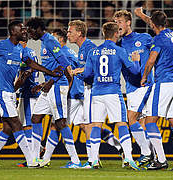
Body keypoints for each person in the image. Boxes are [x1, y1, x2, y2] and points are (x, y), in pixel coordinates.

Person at [0, 21, 60, 168]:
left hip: (10, 91)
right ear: (13, 32)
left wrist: (50, 72)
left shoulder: (19, 49)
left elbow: (32, 64)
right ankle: (31, 161)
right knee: (17, 124)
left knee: (8, 128)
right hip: (0, 90)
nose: (24, 30)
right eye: (21, 29)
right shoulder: (1, 46)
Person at [78, 22, 141, 170]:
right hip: (113, 93)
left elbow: (87, 74)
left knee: (96, 126)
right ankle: (129, 159)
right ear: (117, 33)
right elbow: (135, 71)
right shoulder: (120, 51)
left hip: (96, 93)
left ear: (103, 33)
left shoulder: (93, 52)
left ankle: (93, 160)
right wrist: (137, 60)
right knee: (121, 124)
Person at [136, 10, 173, 171]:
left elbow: (151, 60)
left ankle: (161, 159)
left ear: (153, 24)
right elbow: (172, 51)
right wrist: (141, 15)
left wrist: (144, 76)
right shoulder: (172, 34)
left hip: (164, 83)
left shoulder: (158, 39)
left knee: (150, 121)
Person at [25, 17, 81, 168]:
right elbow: (54, 65)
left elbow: (64, 63)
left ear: (37, 29)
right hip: (49, 86)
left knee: (60, 122)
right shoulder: (45, 42)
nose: (29, 34)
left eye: (30, 31)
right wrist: (46, 82)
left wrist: (51, 82)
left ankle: (75, 160)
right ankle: (35, 158)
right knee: (35, 118)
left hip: (57, 86)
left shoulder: (50, 41)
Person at [67, 20, 123, 168]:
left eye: (70, 31)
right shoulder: (82, 49)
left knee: (91, 125)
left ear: (79, 33)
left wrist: (78, 71)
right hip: (84, 90)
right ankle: (115, 146)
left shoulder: (90, 47)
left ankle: (93, 160)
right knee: (86, 126)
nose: (68, 34)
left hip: (93, 90)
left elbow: (94, 68)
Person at [113, 9, 154, 167]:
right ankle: (153, 156)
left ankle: (146, 153)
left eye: (120, 22)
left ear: (128, 23)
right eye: (115, 23)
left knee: (130, 119)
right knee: (142, 123)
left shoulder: (143, 38)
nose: (118, 25)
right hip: (130, 88)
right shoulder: (118, 44)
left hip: (144, 85)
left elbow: (160, 48)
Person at [14, 39, 41, 167]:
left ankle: (32, 158)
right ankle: (38, 150)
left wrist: (13, 89)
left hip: (28, 93)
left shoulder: (24, 52)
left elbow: (25, 73)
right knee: (27, 124)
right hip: (32, 92)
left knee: (26, 126)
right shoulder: (31, 51)